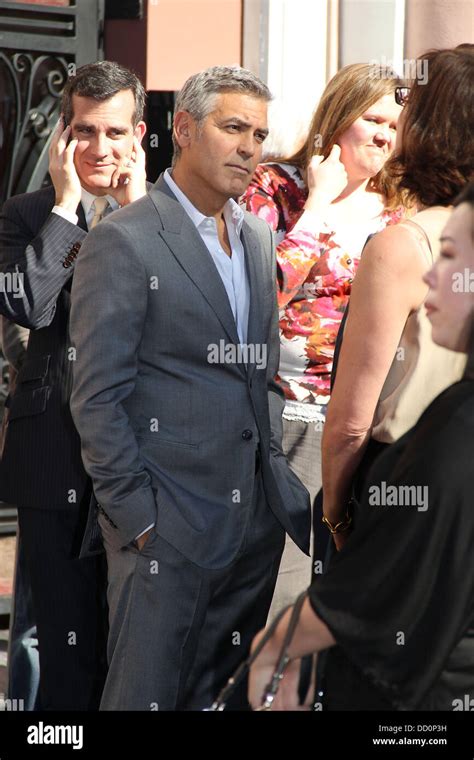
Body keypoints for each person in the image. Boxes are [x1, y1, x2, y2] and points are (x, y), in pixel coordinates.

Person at [69, 65, 310, 711]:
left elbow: (258, 375)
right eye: (233, 128)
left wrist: (269, 486)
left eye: (259, 134)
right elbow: (96, 396)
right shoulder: (123, 241)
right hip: (164, 533)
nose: (250, 148)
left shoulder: (258, 237)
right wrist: (139, 520)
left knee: (225, 701)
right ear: (182, 128)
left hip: (252, 527)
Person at [248, 178, 474, 711]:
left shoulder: (459, 426)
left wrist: (276, 645)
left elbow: (382, 584)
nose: (429, 275)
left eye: (448, 256)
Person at [0, 60, 148, 710]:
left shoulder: (165, 217)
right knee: (61, 652)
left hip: (141, 466)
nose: (100, 149)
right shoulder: (27, 215)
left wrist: (137, 214)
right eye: (85, 132)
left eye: (115, 132)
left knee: (133, 646)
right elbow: (28, 304)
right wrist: (65, 208)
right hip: (52, 456)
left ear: (138, 135)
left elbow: (174, 318)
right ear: (64, 135)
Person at [242, 63, 404, 616]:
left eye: (395, 124)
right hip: (282, 412)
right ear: (339, 115)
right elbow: (257, 298)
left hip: (362, 422)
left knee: (340, 591)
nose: (386, 133)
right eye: (373, 118)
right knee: (281, 590)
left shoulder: (399, 212)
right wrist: (316, 210)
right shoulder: (276, 187)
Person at [321, 47, 472, 551]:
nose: (399, 112)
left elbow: (350, 423)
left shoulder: (402, 245)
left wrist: (336, 517)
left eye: (409, 98)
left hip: (404, 489)